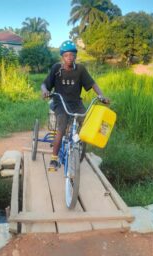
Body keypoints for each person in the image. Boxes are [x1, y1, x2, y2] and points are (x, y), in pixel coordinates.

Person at [41, 40, 109, 171]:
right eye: (66, 55)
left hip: (76, 102)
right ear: (62, 56)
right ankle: (54, 158)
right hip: (60, 102)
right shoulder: (56, 69)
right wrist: (45, 91)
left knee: (87, 121)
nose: (69, 58)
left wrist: (101, 95)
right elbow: (44, 84)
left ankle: (80, 146)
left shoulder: (80, 70)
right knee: (61, 126)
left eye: (72, 55)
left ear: (75, 56)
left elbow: (93, 84)